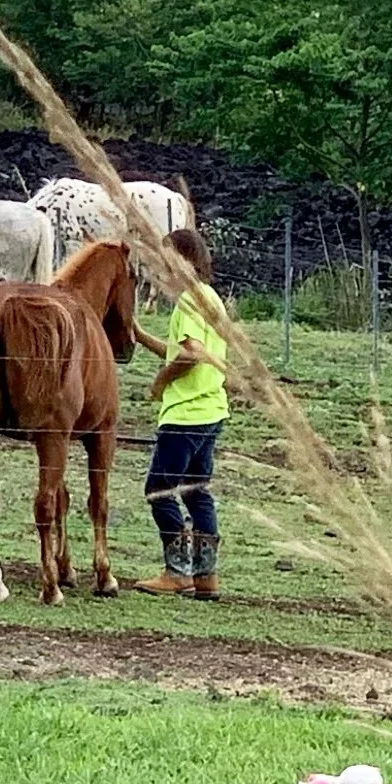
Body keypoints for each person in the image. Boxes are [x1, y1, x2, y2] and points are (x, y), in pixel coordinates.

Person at [133, 228, 228, 597]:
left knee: (158, 490)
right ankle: (206, 576)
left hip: (184, 414)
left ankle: (177, 572)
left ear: (183, 259)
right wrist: (141, 336)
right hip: (211, 409)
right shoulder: (209, 297)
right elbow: (183, 350)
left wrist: (160, 382)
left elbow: (189, 356)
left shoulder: (188, 300)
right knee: (196, 493)